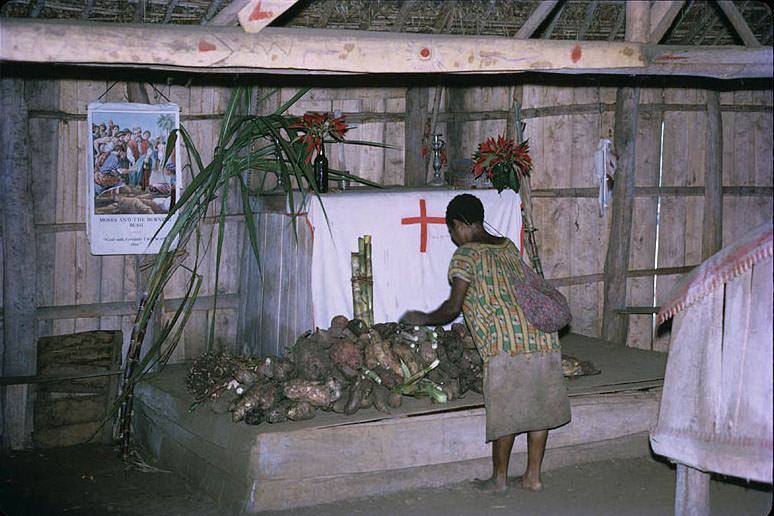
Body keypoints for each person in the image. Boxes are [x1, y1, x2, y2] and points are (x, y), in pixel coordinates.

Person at [400, 193, 571, 494]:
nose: (453, 237)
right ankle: (533, 477)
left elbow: (453, 307)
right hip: (542, 336)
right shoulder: (507, 246)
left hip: (506, 342)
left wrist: (422, 317)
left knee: (505, 411)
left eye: (452, 231)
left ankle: (499, 479)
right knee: (539, 407)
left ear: (459, 225)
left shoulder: (466, 255)